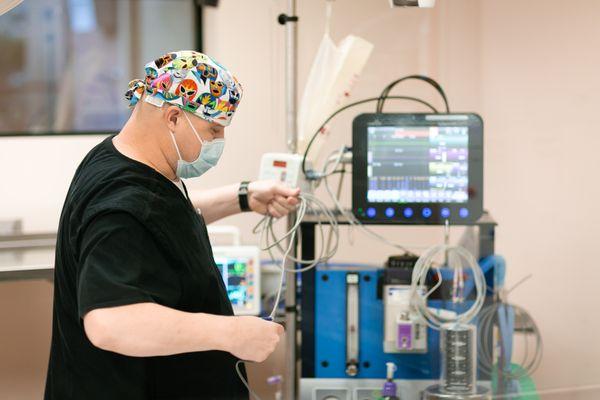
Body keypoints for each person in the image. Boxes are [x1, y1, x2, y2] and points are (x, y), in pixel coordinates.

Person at [44, 50, 299, 400]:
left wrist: (243, 197)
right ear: (175, 117)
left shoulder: (120, 159)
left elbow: (160, 219)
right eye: (213, 129)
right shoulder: (121, 206)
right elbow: (109, 322)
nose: (219, 142)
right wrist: (231, 333)